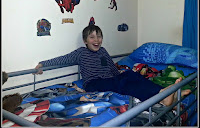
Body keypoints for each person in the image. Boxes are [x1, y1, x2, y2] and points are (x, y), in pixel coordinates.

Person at [34, 25, 191, 106]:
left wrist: (123, 75)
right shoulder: (80, 53)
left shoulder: (103, 51)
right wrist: (43, 64)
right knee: (123, 84)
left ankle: (165, 93)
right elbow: (63, 59)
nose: (97, 40)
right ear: (85, 41)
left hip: (110, 79)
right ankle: (162, 96)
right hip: (93, 83)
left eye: (99, 36)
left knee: (129, 75)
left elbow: (112, 69)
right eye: (92, 37)